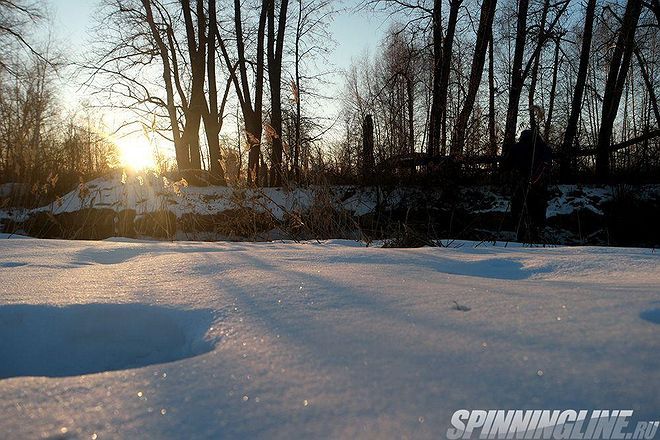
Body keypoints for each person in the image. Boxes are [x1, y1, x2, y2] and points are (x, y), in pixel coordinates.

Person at [502, 129, 553, 242]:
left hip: (519, 185)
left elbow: (506, 165)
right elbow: (548, 163)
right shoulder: (544, 148)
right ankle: (536, 234)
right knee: (537, 211)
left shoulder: (516, 148)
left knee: (519, 210)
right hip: (539, 186)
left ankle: (521, 234)